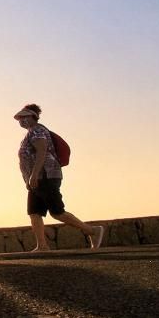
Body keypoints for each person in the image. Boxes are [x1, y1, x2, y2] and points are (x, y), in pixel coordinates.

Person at [14, 105, 103, 250]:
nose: (21, 121)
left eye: (24, 117)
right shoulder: (31, 133)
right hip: (36, 179)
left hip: (46, 177)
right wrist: (29, 178)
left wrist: (35, 174)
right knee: (34, 212)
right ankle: (42, 246)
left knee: (57, 212)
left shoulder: (38, 131)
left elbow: (42, 151)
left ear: (33, 117)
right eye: (19, 118)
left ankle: (92, 231)